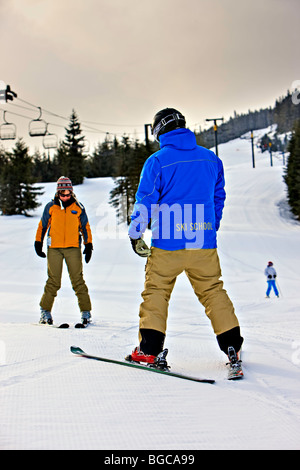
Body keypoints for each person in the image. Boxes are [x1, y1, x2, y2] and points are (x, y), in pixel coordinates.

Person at [127, 107, 243, 367]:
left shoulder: (157, 161)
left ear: (159, 131)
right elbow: (218, 197)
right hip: (202, 242)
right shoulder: (211, 159)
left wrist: (136, 233)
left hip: (168, 243)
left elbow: (145, 201)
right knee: (213, 291)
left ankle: (149, 349)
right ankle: (232, 345)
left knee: (156, 292)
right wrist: (211, 227)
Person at [35, 176, 93, 325]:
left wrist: (88, 245)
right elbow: (42, 226)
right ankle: (45, 312)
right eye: (62, 194)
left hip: (73, 248)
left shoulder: (78, 207)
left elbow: (85, 227)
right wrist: (38, 242)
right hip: (54, 248)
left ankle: (86, 313)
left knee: (78, 280)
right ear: (58, 192)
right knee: (53, 281)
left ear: (71, 192)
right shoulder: (51, 207)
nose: (65, 196)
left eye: (68, 193)